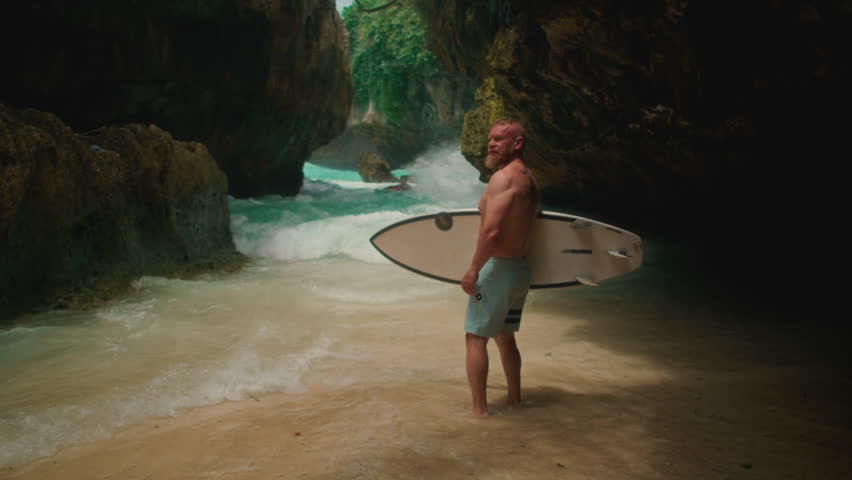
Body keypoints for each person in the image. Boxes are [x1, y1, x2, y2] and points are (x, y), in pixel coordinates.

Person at [461, 117, 541, 418]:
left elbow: (492, 232)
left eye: (499, 139)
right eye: (490, 139)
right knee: (506, 338)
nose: (491, 144)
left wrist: (473, 269)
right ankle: (515, 402)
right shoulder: (530, 180)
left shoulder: (502, 179)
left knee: (475, 338)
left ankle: (479, 413)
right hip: (520, 270)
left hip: (497, 270)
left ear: (517, 143)